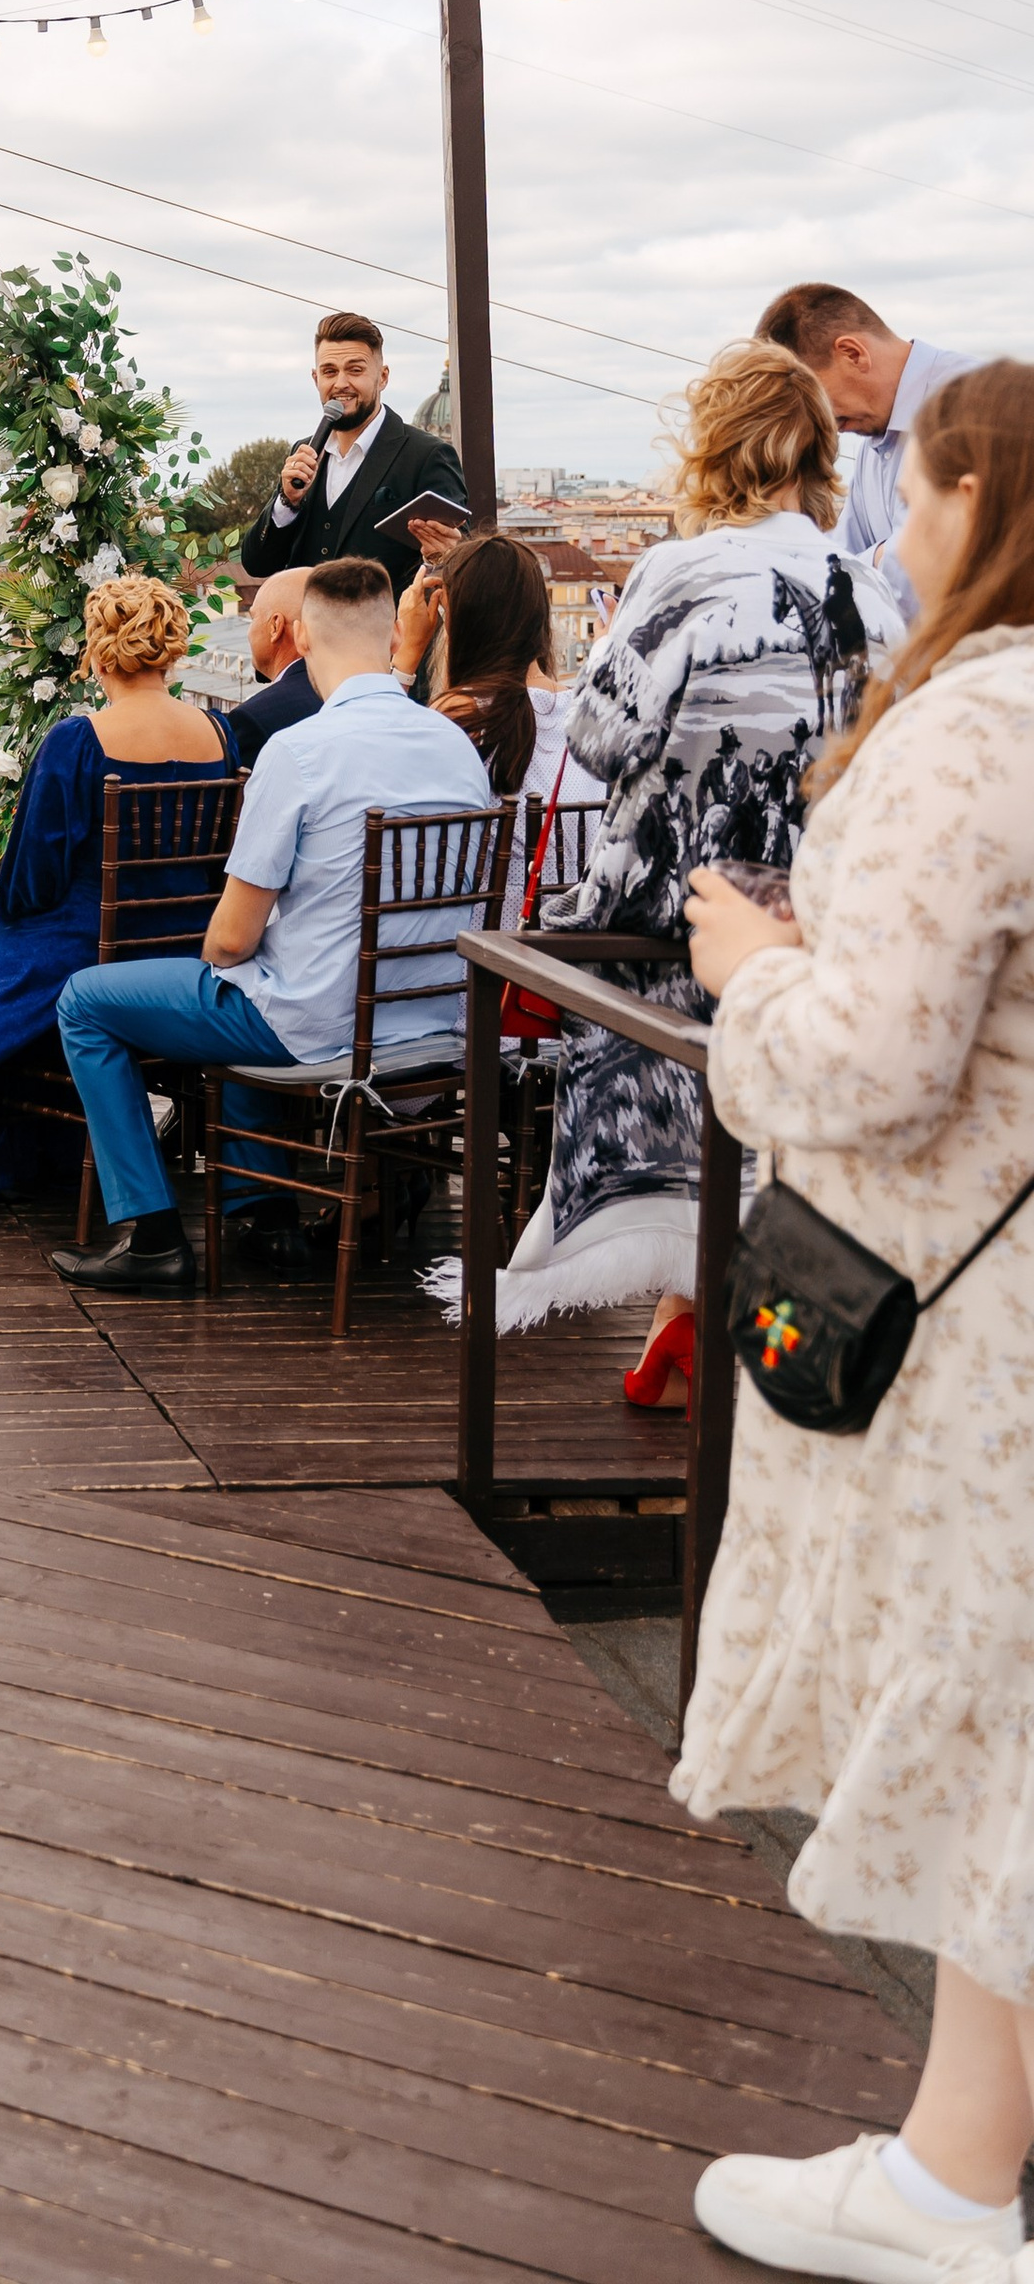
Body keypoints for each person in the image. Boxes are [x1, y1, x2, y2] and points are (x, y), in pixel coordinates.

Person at [674, 362, 1034, 2282]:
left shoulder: (982, 723)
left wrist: (753, 972)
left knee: (989, 1727)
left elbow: (876, 1068)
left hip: (970, 1328)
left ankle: (956, 2185)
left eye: (925, 487)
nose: (897, 521)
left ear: (982, 495)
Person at [479, 340, 899, 1388]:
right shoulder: (864, 586)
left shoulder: (682, 570)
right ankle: (710, 1317)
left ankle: (698, 1308)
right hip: (814, 920)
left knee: (630, 1040)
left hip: (678, 916)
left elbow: (600, 737)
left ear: (711, 449)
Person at [49, 554, 495, 1292]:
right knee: (252, 983)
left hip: (320, 1028)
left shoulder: (300, 751)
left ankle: (154, 1231)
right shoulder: (455, 746)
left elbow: (229, 938)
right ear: (392, 638)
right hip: (434, 1025)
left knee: (90, 1001)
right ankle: (263, 1212)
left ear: (306, 642)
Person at [0, 573, 235, 1219]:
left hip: (94, 948)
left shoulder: (78, 740)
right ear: (172, 645)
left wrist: (10, 915)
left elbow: (30, 880)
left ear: (96, 649)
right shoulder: (221, 734)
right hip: (191, 945)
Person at [392, 530, 603, 925]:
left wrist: (406, 653)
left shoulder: (462, 716)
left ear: (461, 621)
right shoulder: (586, 710)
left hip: (489, 964)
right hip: (573, 956)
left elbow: (375, 777)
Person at [758, 281, 976, 627]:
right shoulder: (875, 439)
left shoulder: (971, 402)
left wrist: (871, 565)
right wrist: (878, 558)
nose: (827, 424)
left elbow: (916, 588)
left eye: (815, 400)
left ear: (853, 354)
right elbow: (835, 569)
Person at [238, 312, 471, 603]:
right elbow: (257, 564)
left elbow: (465, 565)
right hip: (308, 645)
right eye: (330, 371)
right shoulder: (305, 452)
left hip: (389, 645)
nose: (341, 384)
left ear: (382, 377)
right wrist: (287, 502)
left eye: (355, 370)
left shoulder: (427, 456)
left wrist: (448, 554)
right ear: (315, 378)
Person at [227, 568, 320, 765]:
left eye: (253, 619)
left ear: (275, 626)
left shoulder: (254, 719)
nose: (249, 631)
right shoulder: (368, 694)